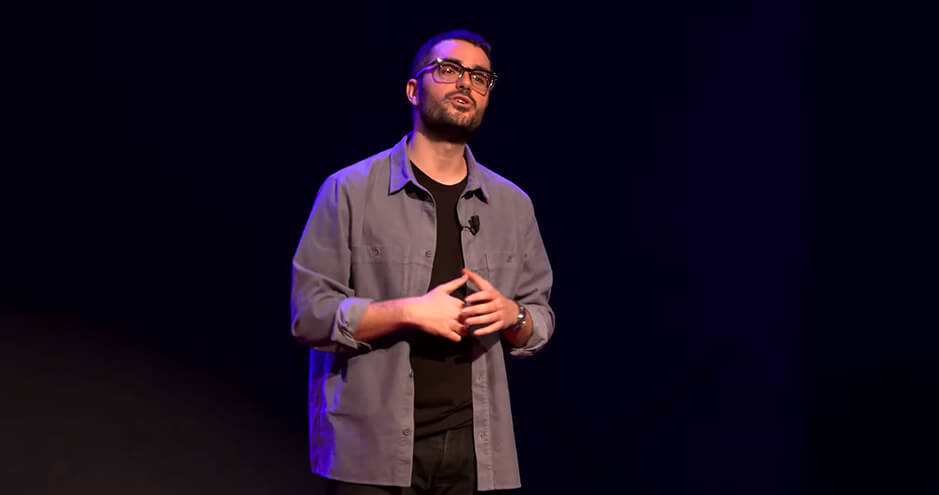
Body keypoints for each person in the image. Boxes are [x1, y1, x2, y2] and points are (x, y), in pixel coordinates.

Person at [290, 29, 554, 494]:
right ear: (414, 89)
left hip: (477, 453)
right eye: (449, 70)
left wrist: (511, 316)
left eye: (479, 77)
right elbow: (309, 314)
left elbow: (539, 317)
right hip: (370, 451)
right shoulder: (348, 190)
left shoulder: (514, 205)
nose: (465, 84)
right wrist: (408, 311)